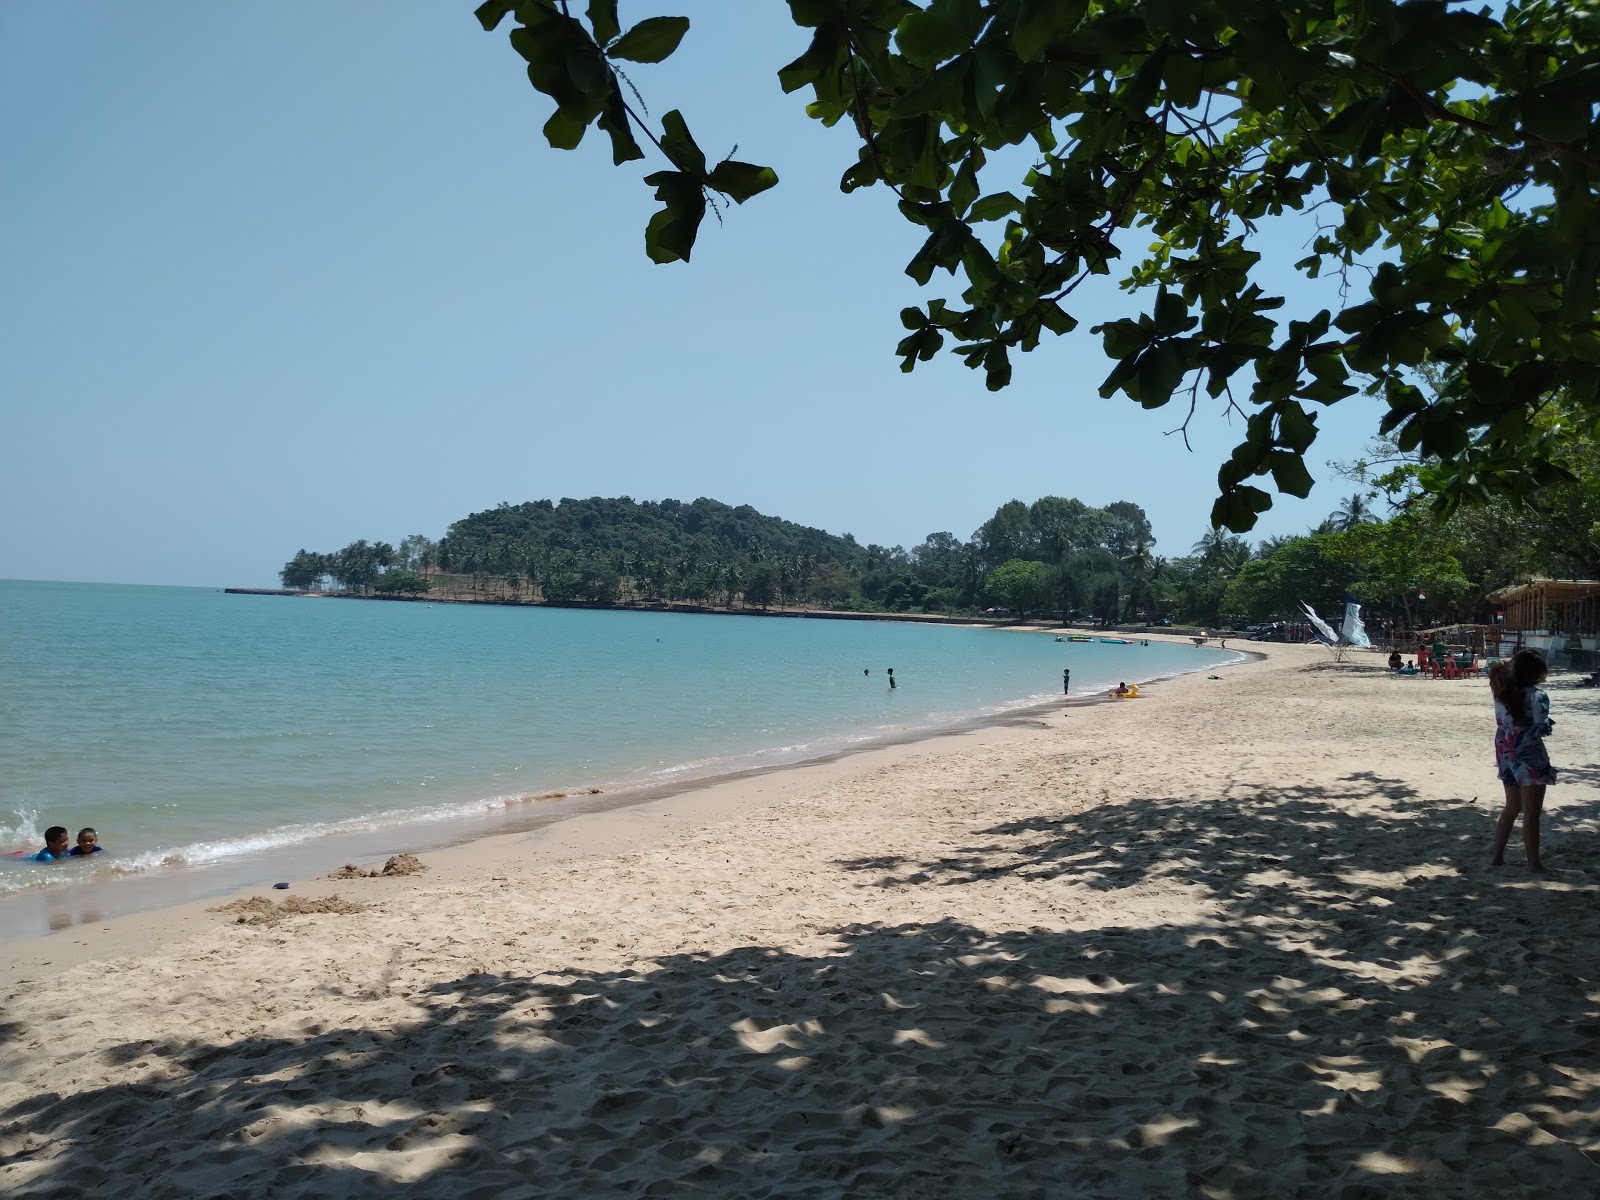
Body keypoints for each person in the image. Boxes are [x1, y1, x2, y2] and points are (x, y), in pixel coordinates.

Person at [1489, 649, 1556, 872]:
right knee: (1532, 813)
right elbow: (1541, 728)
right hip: (1529, 754)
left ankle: (1497, 856)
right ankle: (1534, 863)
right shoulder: (1538, 696)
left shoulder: (1501, 694)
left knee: (1511, 807)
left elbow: (1497, 667)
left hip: (1505, 750)